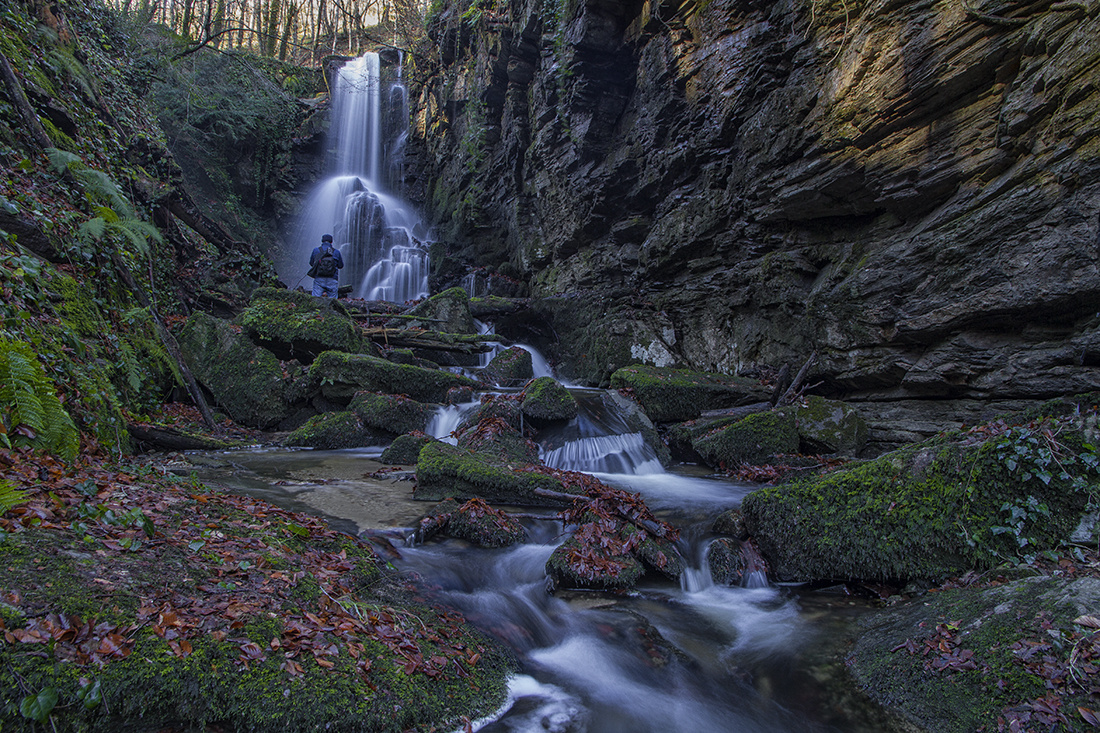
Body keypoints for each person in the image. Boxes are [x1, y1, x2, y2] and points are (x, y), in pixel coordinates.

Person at [309, 234, 344, 298]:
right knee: (332, 301)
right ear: (331, 242)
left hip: (319, 278)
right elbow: (341, 266)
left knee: (316, 300)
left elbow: (311, 263)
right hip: (332, 278)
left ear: (322, 241)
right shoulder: (336, 252)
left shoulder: (316, 250)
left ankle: (316, 308)